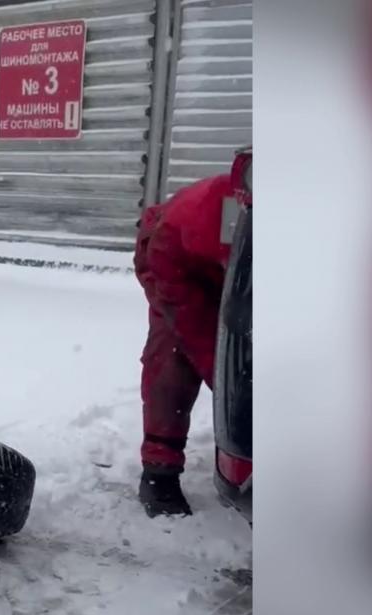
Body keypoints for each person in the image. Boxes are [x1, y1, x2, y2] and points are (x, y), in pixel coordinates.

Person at [134, 148, 251, 517]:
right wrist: (221, 374)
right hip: (174, 262)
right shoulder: (216, 215)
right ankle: (159, 474)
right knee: (173, 359)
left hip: (239, 281)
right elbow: (192, 322)